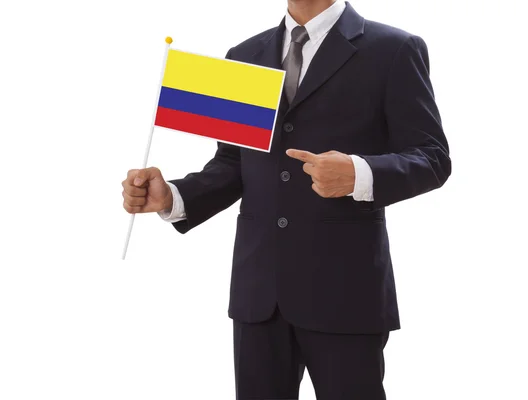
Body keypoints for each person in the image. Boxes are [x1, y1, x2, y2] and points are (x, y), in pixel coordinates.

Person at [121, 0, 451, 398]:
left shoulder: (394, 48)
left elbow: (432, 158)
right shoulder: (244, 56)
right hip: (258, 291)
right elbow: (232, 163)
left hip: (345, 290)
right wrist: (172, 195)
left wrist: (359, 173)